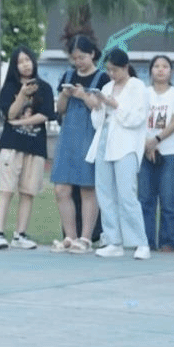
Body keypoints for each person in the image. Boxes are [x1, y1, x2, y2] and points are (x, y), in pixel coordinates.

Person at [81, 49, 150, 259]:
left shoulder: (137, 87)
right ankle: (113, 241)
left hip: (126, 145)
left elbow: (137, 118)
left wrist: (114, 105)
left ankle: (140, 242)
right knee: (105, 194)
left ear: (125, 67)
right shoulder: (107, 87)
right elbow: (98, 121)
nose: (111, 74)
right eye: (109, 70)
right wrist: (97, 106)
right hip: (104, 141)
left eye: (115, 70)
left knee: (127, 194)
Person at [0, 46, 56, 250]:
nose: (25, 65)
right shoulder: (9, 87)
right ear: (14, 66)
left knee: (28, 192)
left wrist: (19, 123)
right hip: (11, 146)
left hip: (35, 146)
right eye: (20, 62)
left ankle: (20, 235)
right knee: (6, 190)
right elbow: (9, 114)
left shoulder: (44, 87)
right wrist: (21, 95)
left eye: (28, 60)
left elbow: (45, 115)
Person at [49, 35, 109, 253]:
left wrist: (83, 95)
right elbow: (60, 109)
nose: (78, 62)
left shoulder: (102, 78)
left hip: (90, 136)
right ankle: (70, 236)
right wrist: (66, 95)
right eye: (74, 58)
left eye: (82, 57)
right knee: (61, 188)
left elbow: (100, 107)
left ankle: (86, 238)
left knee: (87, 187)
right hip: (68, 136)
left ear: (92, 54)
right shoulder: (67, 75)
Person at [138, 55, 174, 252]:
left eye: (165, 66)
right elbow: (138, 120)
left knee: (167, 201)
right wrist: (147, 145)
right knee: (145, 200)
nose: (160, 70)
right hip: (145, 152)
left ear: (171, 72)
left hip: (169, 153)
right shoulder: (144, 93)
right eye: (156, 66)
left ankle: (168, 242)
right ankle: (146, 241)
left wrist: (156, 140)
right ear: (150, 71)